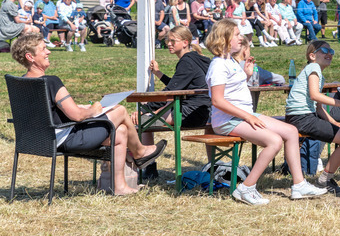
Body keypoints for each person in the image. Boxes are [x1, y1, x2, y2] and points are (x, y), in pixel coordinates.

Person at [12, 31, 165, 194]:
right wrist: (94, 109)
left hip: (39, 140)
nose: (48, 51)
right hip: (67, 140)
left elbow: (46, 110)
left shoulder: (22, 83)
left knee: (119, 133)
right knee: (119, 110)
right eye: (43, 49)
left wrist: (81, 107)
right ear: (30, 57)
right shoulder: (51, 81)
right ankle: (140, 152)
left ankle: (120, 186)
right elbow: (77, 116)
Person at [204, 19, 327, 205]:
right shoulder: (218, 65)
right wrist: (248, 116)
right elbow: (217, 100)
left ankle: (299, 184)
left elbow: (233, 91)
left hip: (243, 115)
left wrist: (245, 75)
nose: (241, 37)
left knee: (291, 131)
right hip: (228, 121)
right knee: (274, 141)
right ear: (225, 38)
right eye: (237, 35)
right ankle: (246, 188)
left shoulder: (229, 62)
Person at [138, 25, 212, 179]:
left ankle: (149, 168)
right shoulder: (199, 59)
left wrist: (145, 109)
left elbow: (170, 93)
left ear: (185, 42)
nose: (169, 44)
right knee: (148, 118)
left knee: (143, 123)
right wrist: (158, 73)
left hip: (192, 113)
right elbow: (179, 85)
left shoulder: (186, 62)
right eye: (167, 41)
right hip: (207, 111)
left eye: (173, 41)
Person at [285, 41, 340, 189]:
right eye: (324, 50)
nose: (329, 54)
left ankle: (325, 178)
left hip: (302, 116)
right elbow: (314, 95)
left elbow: (318, 107)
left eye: (331, 52)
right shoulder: (313, 68)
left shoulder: (315, 71)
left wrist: (332, 122)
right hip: (302, 117)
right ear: (312, 56)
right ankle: (325, 179)